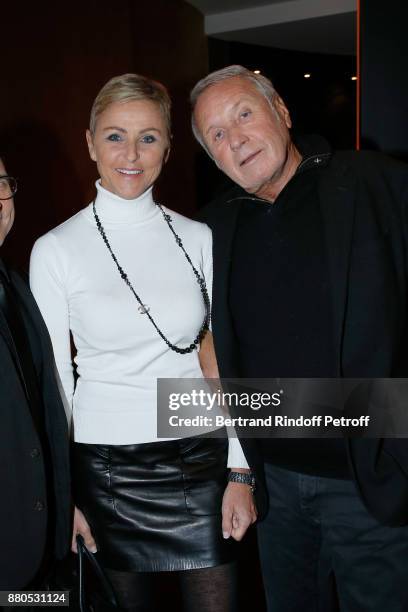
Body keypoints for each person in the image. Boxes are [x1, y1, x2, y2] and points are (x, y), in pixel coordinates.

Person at [30, 73, 256, 612]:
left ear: (169, 147)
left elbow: (220, 360)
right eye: (115, 136)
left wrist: (240, 469)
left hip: (200, 462)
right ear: (89, 142)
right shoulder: (54, 249)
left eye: (149, 137)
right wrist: (63, 499)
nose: (131, 153)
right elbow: (55, 382)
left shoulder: (200, 237)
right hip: (105, 470)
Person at [190, 65, 408, 612]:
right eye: (216, 134)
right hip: (277, 489)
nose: (235, 138)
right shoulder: (210, 228)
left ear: (281, 112)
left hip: (375, 484)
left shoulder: (374, 182)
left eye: (243, 114)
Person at [0, 157, 70, 590]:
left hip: (40, 557)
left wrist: (64, 515)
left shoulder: (17, 286)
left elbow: (42, 415)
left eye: (1, 183)